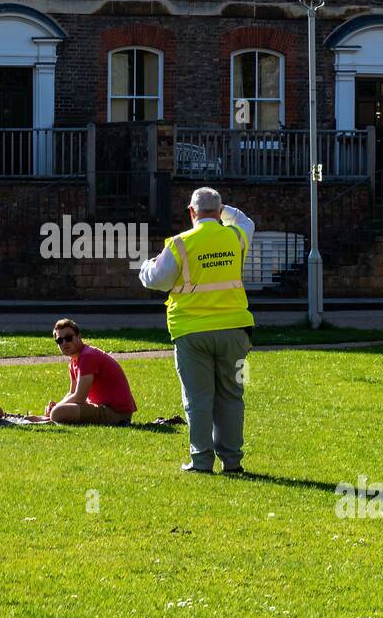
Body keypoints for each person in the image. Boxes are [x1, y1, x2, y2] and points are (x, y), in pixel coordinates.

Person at [139, 187, 255, 474]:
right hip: (235, 330)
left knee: (198, 398)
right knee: (232, 395)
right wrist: (223, 209)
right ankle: (232, 461)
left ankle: (201, 460)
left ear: (191, 212)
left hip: (191, 331)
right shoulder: (235, 236)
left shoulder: (180, 244)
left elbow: (157, 280)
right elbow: (247, 222)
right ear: (219, 211)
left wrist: (145, 267)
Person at [45, 319, 137, 425]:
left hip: (116, 413)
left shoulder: (87, 356)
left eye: (68, 338)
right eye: (59, 340)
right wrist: (58, 405)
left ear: (79, 336)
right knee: (57, 411)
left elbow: (80, 397)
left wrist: (56, 408)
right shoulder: (74, 361)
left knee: (58, 413)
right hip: (104, 408)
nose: (64, 343)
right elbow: (72, 392)